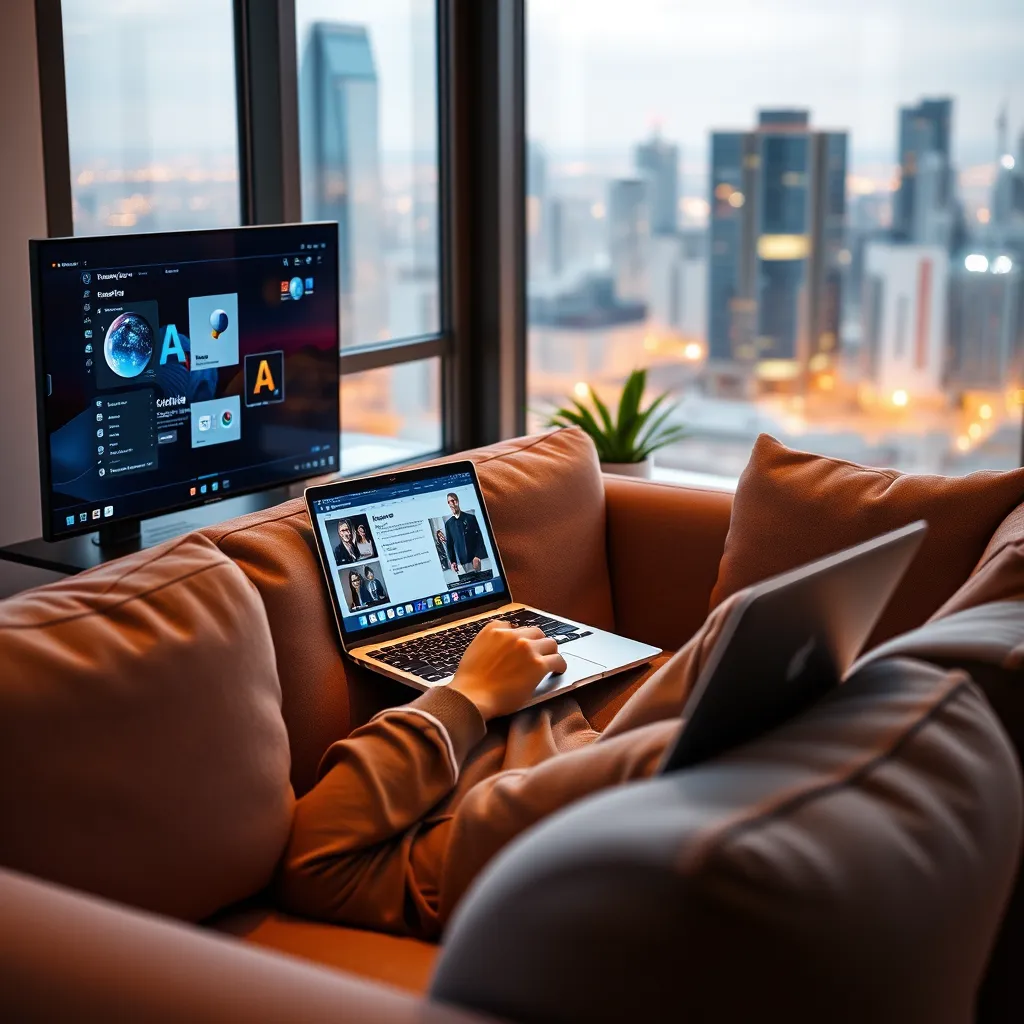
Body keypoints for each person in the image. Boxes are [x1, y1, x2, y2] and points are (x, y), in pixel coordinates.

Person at [277, 596, 742, 941]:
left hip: (579, 781)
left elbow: (313, 857)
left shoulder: (553, 827)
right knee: (736, 625)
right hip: (692, 755)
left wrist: (469, 693)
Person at [444, 493, 487, 574]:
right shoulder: (449, 524)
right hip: (462, 561)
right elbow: (449, 544)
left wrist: (478, 556)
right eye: (449, 501)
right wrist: (453, 561)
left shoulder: (471, 518)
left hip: (476, 558)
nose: (452, 503)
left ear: (457, 501)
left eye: (454, 500)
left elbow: (480, 537)